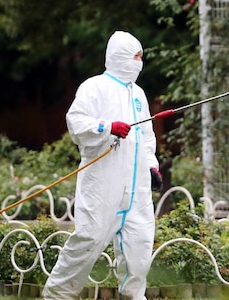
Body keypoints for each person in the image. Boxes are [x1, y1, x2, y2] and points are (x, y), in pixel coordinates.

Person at [43, 31, 162, 300]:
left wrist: (151, 165)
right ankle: (58, 294)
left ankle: (135, 295)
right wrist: (107, 127)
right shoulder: (94, 87)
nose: (139, 62)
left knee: (139, 243)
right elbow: (76, 122)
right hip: (103, 182)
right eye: (136, 56)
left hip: (136, 187)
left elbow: (146, 135)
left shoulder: (139, 94)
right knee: (89, 239)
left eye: (141, 56)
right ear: (120, 57)